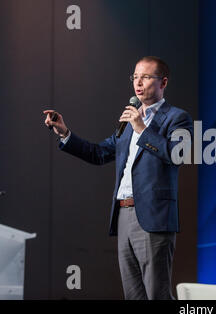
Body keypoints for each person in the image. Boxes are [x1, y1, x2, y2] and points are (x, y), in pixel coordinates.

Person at [43, 56, 193, 300]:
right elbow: (98, 153)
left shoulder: (176, 118)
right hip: (123, 214)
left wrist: (142, 129)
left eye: (146, 76)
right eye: (135, 76)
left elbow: (177, 154)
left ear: (163, 82)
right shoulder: (127, 122)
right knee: (133, 295)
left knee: (157, 294)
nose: (138, 82)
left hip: (154, 218)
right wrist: (65, 133)